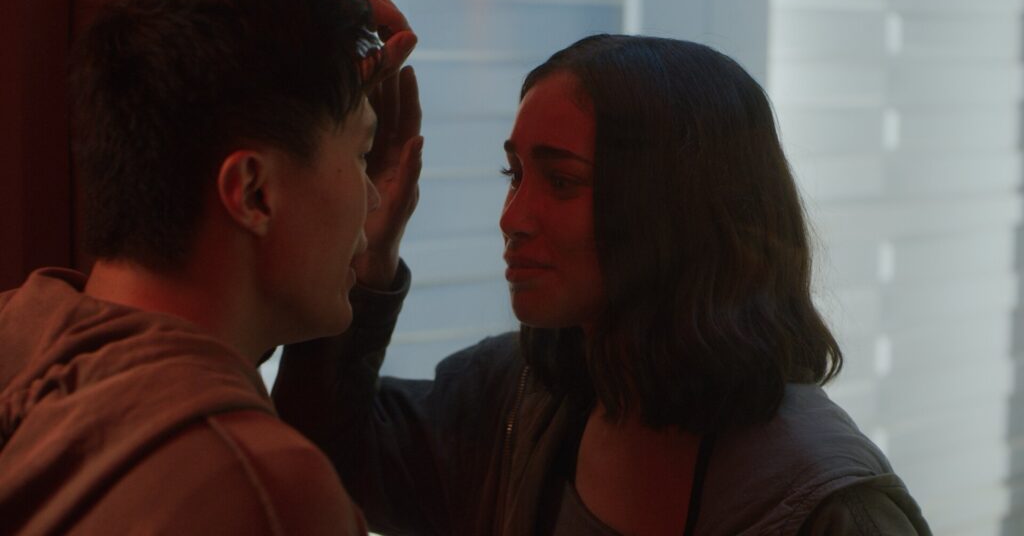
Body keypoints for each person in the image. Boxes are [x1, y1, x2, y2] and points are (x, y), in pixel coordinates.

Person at [275, 33, 933, 535]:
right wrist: (363, 251)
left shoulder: (831, 508)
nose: (512, 219)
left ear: (677, 210)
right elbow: (322, 459)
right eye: (514, 176)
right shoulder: (520, 394)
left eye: (561, 181)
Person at [0, 0, 421, 534]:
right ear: (252, 191)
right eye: (360, 155)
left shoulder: (26, 349)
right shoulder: (263, 491)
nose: (371, 197)